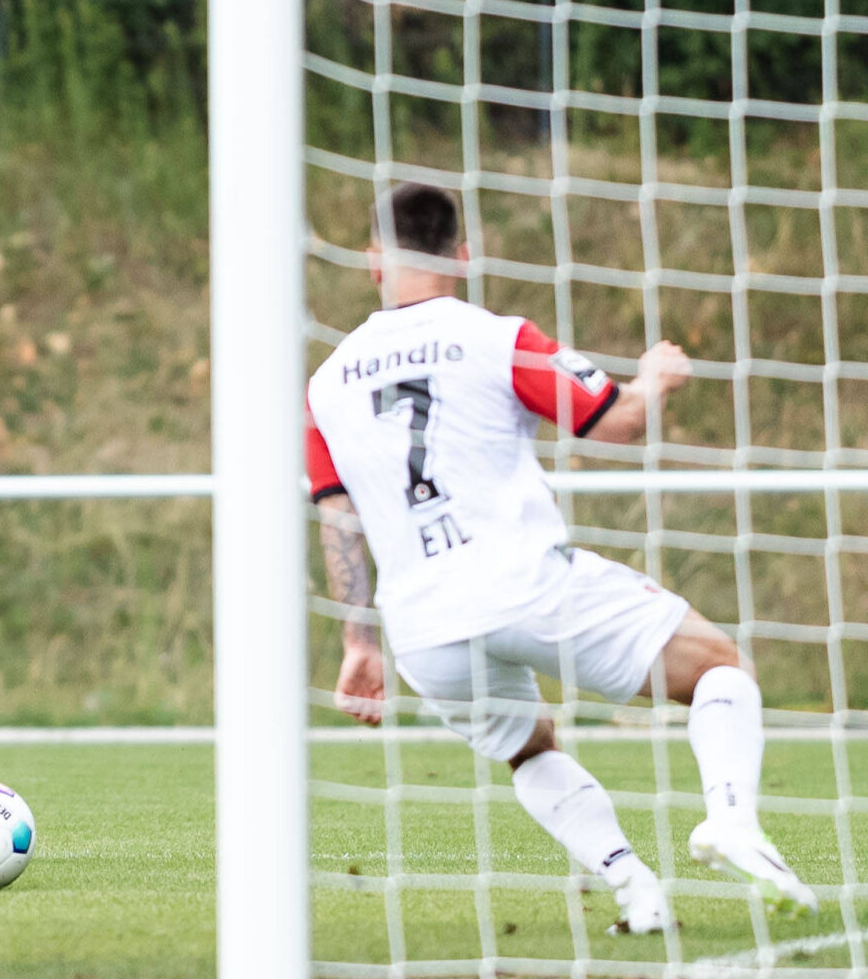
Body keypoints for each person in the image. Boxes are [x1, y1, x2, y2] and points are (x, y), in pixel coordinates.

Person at [309, 183, 814, 933]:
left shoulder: (325, 385)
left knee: (530, 748)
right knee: (719, 667)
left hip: (421, 626)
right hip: (525, 584)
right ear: (464, 255)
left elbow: (338, 518)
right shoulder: (496, 337)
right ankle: (733, 822)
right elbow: (618, 423)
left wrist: (359, 641)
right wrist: (654, 378)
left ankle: (635, 890)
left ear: (373, 258)